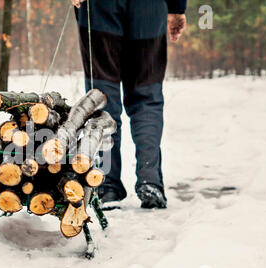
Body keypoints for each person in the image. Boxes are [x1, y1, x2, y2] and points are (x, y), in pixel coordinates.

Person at [73, 0, 187, 210]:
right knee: (147, 96)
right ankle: (150, 181)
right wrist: (177, 7)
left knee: (102, 95)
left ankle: (106, 184)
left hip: (100, 7)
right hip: (149, 7)